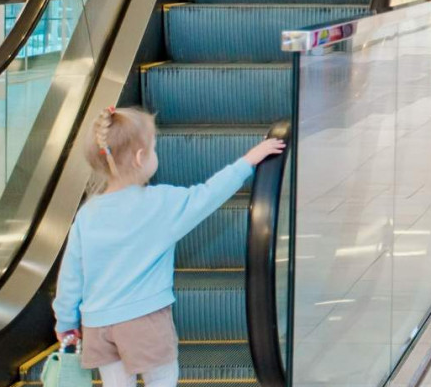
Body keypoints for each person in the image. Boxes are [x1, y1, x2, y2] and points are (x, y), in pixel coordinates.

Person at [54, 107, 284, 387]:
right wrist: (248, 161)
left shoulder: (87, 214)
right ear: (140, 157)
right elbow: (208, 195)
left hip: (97, 324)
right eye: (153, 148)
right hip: (144, 320)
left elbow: (71, 276)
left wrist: (65, 322)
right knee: (161, 380)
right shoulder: (160, 203)